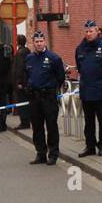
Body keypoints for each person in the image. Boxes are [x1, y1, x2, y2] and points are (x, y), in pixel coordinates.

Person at [74, 19, 102, 156]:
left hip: (101, 91)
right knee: (88, 122)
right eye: (87, 31)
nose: (89, 34)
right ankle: (90, 146)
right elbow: (80, 67)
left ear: (97, 31)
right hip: (86, 90)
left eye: (91, 31)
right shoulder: (80, 48)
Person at [24, 30, 65, 164]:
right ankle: (40, 153)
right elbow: (27, 75)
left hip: (48, 96)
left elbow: (60, 77)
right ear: (33, 43)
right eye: (37, 42)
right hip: (34, 97)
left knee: (51, 126)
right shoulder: (29, 58)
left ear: (45, 42)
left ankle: (53, 154)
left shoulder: (54, 58)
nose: (39, 44)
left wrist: (52, 89)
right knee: (37, 126)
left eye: (41, 41)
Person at [12, 34, 30, 130]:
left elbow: (19, 68)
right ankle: (27, 120)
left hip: (22, 82)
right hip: (26, 80)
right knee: (26, 101)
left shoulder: (20, 53)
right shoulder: (28, 51)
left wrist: (19, 82)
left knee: (22, 102)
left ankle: (24, 122)